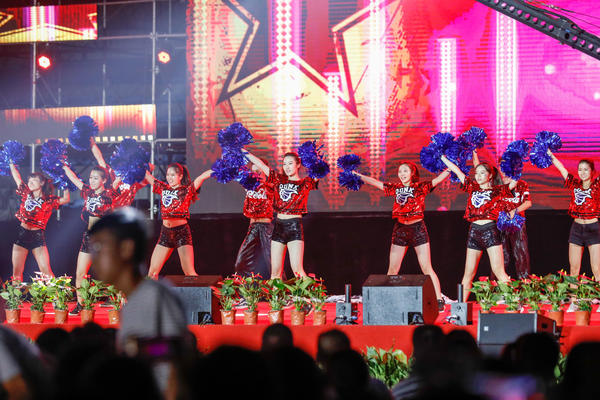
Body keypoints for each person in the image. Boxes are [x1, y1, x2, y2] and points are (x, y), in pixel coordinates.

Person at [87, 208, 188, 351]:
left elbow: (170, 355)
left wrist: (142, 351)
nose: (93, 259)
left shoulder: (153, 297)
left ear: (126, 248)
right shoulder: (137, 298)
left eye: (98, 248)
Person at [353, 162, 449, 308]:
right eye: (400, 171)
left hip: (417, 229)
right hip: (400, 229)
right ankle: (387, 300)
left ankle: (439, 299)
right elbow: (375, 183)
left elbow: (438, 179)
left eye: (405, 171)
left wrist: (451, 168)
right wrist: (358, 175)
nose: (402, 174)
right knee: (392, 269)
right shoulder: (395, 188)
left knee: (426, 267)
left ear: (412, 173)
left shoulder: (420, 187)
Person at [441, 154, 516, 300]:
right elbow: (456, 171)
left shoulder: (497, 191)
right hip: (474, 232)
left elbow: (515, 181)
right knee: (468, 274)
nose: (478, 176)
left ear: (490, 176)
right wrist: (441, 157)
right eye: (476, 173)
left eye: (482, 173)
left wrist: (517, 162)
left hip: (490, 231)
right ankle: (460, 305)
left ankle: (514, 302)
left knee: (499, 271)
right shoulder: (472, 187)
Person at [244, 150, 319, 279]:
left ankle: (311, 292)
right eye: (284, 164)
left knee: (297, 270)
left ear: (298, 164)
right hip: (279, 226)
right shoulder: (278, 180)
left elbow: (320, 170)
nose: (287, 167)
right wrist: (243, 151)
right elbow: (261, 165)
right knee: (275, 273)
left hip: (294, 226)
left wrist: (314, 157)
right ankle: (276, 293)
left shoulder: (305, 183)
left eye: (290, 163)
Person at [63, 163, 117, 314]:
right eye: (91, 178)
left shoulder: (109, 193)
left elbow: (121, 177)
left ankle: (120, 301)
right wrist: (64, 166)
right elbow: (75, 179)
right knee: (80, 273)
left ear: (104, 180)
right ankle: (81, 304)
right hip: (88, 237)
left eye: (95, 178)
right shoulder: (88, 192)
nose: (92, 181)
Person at [144, 163, 213, 278]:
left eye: (172, 175)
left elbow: (202, 177)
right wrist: (136, 163)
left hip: (181, 233)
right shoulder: (163, 188)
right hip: (165, 233)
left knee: (189, 273)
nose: (169, 178)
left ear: (180, 176)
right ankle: (150, 290)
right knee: (152, 273)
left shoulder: (187, 190)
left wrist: (220, 168)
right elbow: (147, 176)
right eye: (167, 175)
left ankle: (207, 290)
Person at [473, 153, 532, 278]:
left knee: (521, 254)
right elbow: (479, 169)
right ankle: (496, 285)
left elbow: (528, 202)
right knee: (501, 256)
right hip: (499, 224)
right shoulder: (496, 183)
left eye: (505, 165)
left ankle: (525, 283)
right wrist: (475, 152)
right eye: (500, 165)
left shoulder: (521, 184)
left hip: (517, 223)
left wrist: (514, 211)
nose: (502, 168)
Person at [9, 163, 69, 281]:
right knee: (17, 273)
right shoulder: (26, 193)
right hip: (22, 235)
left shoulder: (48, 200)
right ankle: (15, 294)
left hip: (37, 237)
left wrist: (65, 183)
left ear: (42, 183)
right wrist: (11, 162)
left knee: (46, 271)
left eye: (34, 181)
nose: (30, 183)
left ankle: (56, 293)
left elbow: (66, 199)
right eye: (29, 181)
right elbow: (17, 177)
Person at [548, 151, 600, 280]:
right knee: (574, 269)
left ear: (592, 171)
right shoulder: (575, 185)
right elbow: (561, 168)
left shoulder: (597, 185)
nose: (582, 172)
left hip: (593, 228)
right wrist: (550, 154)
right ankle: (573, 293)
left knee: (596, 269)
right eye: (580, 169)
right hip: (576, 229)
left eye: (586, 169)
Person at [234, 158, 275, 279]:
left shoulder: (272, 187)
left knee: (273, 262)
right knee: (241, 263)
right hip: (252, 227)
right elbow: (235, 172)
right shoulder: (249, 186)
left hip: (266, 228)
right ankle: (247, 286)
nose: (257, 174)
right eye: (254, 172)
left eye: (260, 171)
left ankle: (280, 287)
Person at [90, 137, 152, 208]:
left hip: (124, 211)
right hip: (109, 211)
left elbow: (150, 169)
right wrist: (92, 143)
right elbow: (99, 159)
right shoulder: (111, 173)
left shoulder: (133, 177)